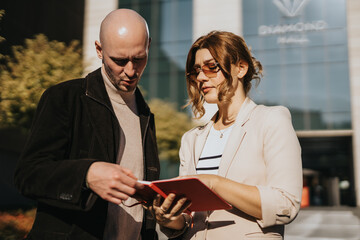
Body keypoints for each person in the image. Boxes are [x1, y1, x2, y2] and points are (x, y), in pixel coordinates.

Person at [14, 9, 160, 240]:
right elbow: (27, 175)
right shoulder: (64, 97)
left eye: (139, 58)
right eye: (119, 61)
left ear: (149, 46)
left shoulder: (145, 114)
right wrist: (87, 175)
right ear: (99, 50)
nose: (131, 71)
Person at [151, 31, 303, 239]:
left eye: (211, 67)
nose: (201, 77)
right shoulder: (191, 139)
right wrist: (171, 219)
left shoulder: (272, 120)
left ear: (241, 68)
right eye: (197, 71)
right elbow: (190, 218)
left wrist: (214, 183)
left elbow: (285, 204)